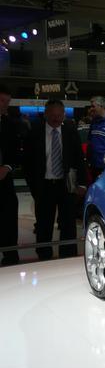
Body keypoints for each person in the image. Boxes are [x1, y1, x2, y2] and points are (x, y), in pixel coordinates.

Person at [24, 99, 87, 260]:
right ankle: (44, 257)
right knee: (44, 224)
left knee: (68, 224)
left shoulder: (70, 131)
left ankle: (68, 257)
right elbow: (28, 163)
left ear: (64, 115)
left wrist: (82, 183)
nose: (56, 118)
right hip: (44, 185)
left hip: (66, 185)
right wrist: (34, 187)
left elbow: (79, 159)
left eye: (59, 115)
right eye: (52, 115)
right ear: (45, 114)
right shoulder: (35, 132)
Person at [0, 84, 20, 266]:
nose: (5, 105)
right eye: (2, 101)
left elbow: (14, 152)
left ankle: (10, 255)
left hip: (4, 180)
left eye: (7, 102)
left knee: (8, 216)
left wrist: (6, 167)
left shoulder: (9, 124)